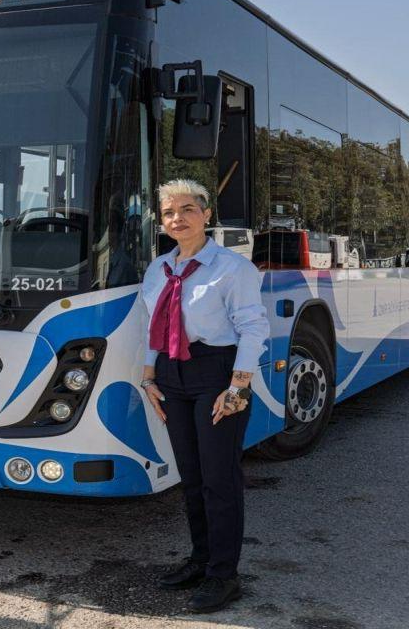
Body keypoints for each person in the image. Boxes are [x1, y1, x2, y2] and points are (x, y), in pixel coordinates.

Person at [138, 179, 270, 613]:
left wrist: (238, 386)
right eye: (170, 212)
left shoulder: (232, 268)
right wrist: (148, 377)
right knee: (191, 477)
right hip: (171, 377)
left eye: (188, 209)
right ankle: (200, 559)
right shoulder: (158, 269)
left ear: (207, 215)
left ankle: (224, 575)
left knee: (219, 479)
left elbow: (253, 327)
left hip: (217, 374)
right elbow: (150, 327)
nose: (178, 218)